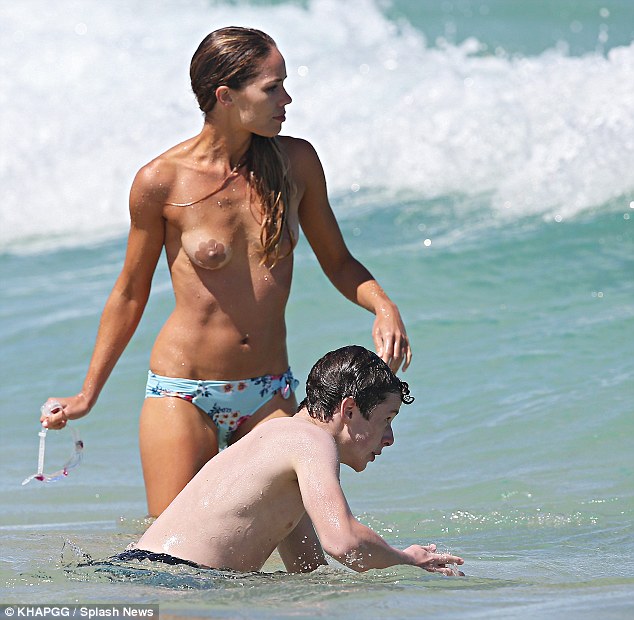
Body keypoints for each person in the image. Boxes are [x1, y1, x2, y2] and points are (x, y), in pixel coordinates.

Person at [40, 27, 411, 517]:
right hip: (183, 391)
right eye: (272, 87)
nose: (287, 99)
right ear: (225, 96)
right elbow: (130, 293)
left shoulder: (296, 164)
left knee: (296, 544)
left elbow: (338, 262)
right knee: (174, 546)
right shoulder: (161, 181)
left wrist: (383, 305)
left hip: (269, 391)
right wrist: (87, 395)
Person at [114, 346, 464, 576]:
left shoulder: (284, 441)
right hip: (170, 581)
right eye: (386, 420)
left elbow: (309, 573)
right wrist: (407, 560)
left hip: (143, 572)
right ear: (349, 410)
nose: (390, 438)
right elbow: (345, 543)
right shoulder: (311, 441)